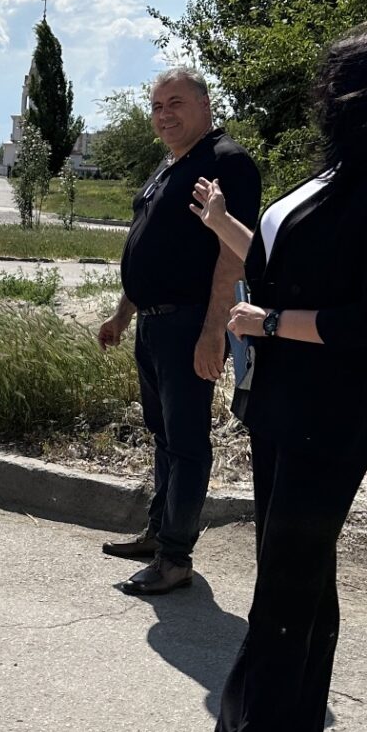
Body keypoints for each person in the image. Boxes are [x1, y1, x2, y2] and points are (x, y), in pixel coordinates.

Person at [147, 21, 367, 732]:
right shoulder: (339, 172)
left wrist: (269, 324)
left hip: (329, 417)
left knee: (281, 590)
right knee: (308, 582)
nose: (323, 91)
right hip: (282, 406)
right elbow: (284, 270)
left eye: (337, 79)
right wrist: (224, 225)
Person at [98, 70, 261, 596]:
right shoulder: (170, 164)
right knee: (164, 435)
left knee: (187, 442)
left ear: (205, 105)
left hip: (191, 323)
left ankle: (175, 558)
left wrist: (214, 333)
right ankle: (159, 533)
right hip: (154, 324)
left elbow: (233, 255)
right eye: (156, 106)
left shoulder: (227, 161)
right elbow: (151, 245)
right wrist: (123, 314)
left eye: (175, 103)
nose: (164, 114)